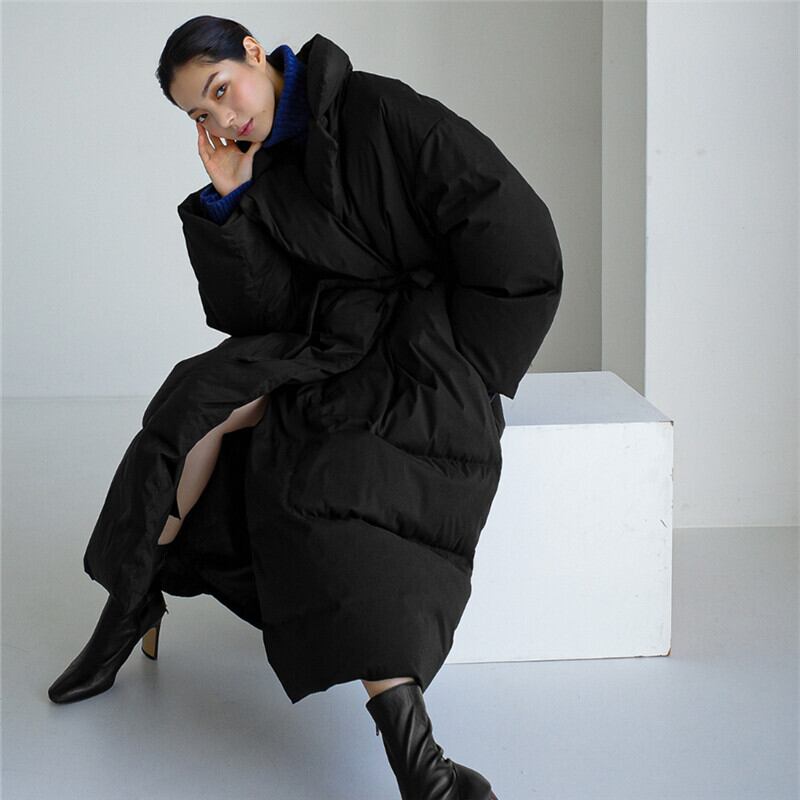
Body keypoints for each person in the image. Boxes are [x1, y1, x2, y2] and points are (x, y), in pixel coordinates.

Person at [48, 15, 563, 799]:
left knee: (339, 482)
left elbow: (509, 220)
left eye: (222, 90)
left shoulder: (379, 110)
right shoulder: (258, 162)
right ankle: (129, 605)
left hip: (421, 344)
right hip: (327, 337)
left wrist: (470, 355)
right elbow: (261, 311)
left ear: (255, 53)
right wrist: (232, 202)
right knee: (193, 402)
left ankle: (421, 763)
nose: (223, 119)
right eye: (201, 113)